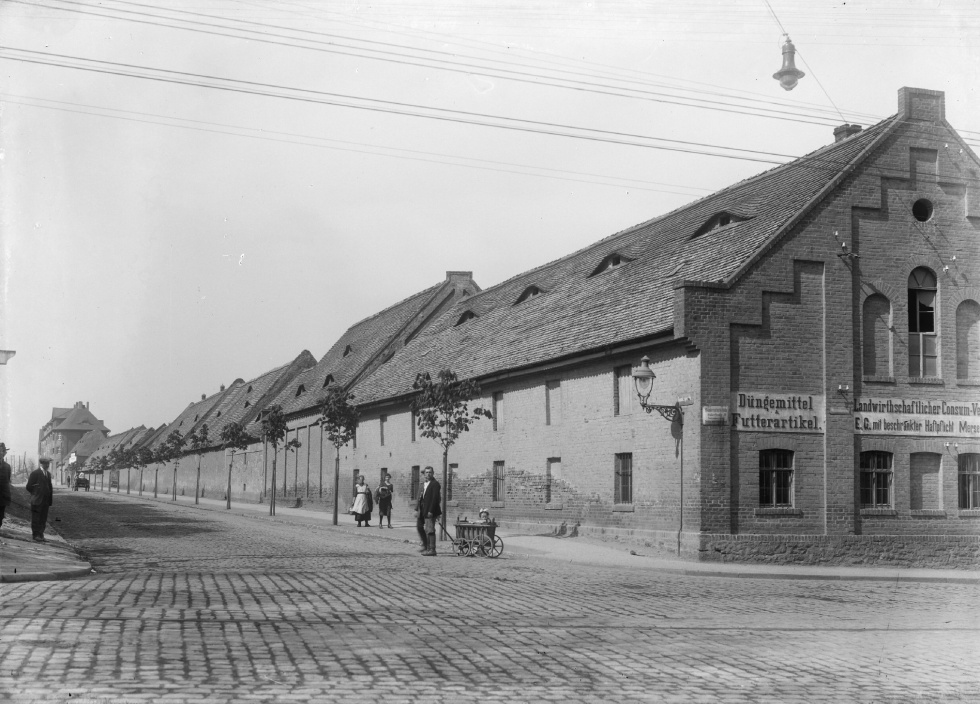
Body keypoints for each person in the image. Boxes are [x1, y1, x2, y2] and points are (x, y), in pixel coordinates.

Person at [26, 457, 54, 542]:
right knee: (36, 518)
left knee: (43, 518)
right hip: (37, 500)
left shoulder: (48, 474)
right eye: (46, 464)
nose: (48, 465)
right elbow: (29, 486)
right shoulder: (35, 473)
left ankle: (41, 535)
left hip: (45, 501)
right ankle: (35, 535)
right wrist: (36, 493)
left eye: (48, 464)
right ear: (41, 464)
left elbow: (49, 487)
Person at [415, 466, 441, 557]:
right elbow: (420, 498)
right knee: (419, 526)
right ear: (424, 474)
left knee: (430, 529)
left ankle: (432, 549)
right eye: (427, 472)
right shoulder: (424, 484)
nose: (428, 474)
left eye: (430, 472)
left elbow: (435, 499)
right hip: (422, 509)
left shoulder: (435, 484)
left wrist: (431, 511)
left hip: (430, 510)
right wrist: (416, 509)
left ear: (433, 473)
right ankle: (426, 546)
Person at [0, 443, 11, 530]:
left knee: (0, 518)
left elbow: (7, 481)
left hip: (2, 498)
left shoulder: (7, 467)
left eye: (2, 451)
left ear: (4, 453)